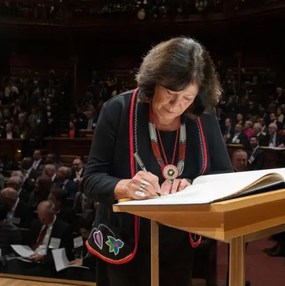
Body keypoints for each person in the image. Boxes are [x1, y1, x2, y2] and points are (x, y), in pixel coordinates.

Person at [82, 37, 233, 286]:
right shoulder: (117, 109)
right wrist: (125, 186)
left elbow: (223, 175)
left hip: (178, 243)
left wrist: (193, 186)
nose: (176, 107)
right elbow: (91, 179)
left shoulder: (202, 115)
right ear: (153, 82)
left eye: (187, 98)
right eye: (170, 94)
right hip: (123, 240)